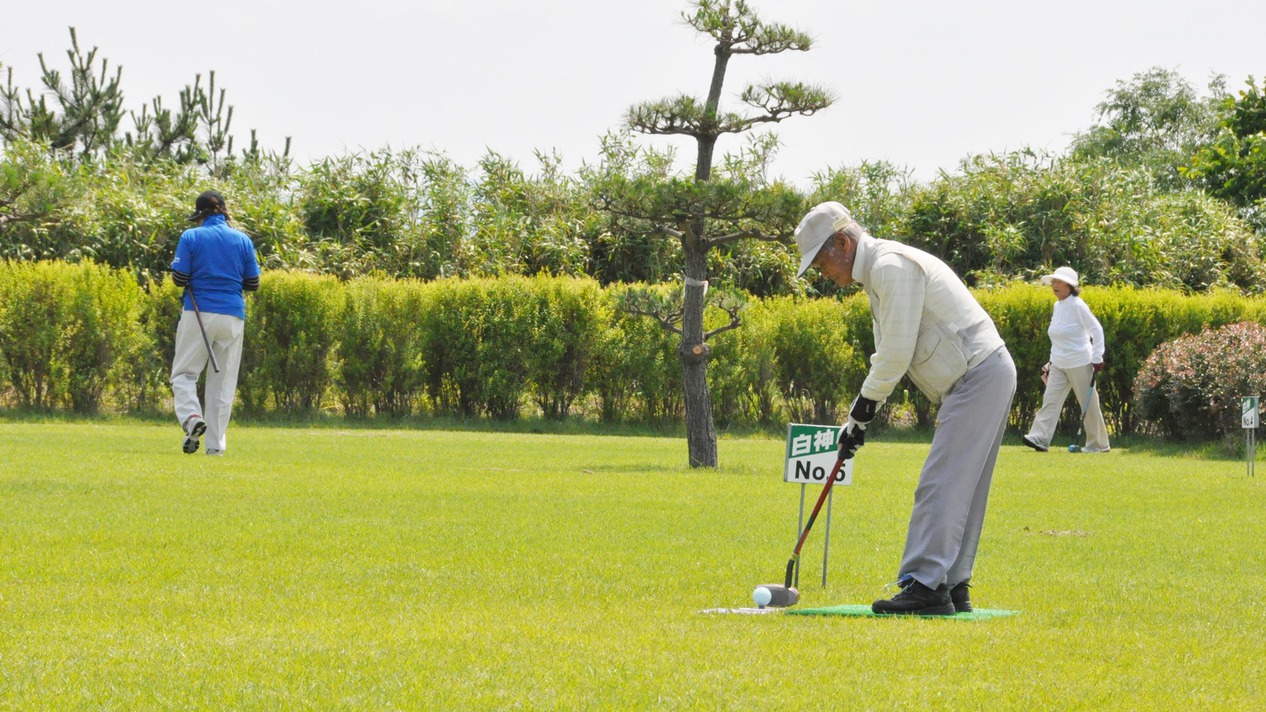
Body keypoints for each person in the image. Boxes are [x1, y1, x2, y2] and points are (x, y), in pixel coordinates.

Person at [794, 201, 1016, 616]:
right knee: (961, 485)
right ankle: (951, 584)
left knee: (941, 481)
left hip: (979, 374)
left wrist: (859, 414)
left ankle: (926, 587)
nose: (826, 277)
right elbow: (893, 352)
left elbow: (894, 354)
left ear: (842, 243)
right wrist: (861, 416)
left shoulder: (890, 267)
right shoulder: (880, 271)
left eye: (823, 266)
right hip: (984, 372)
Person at [169, 190, 260, 455]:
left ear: (200, 215)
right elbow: (253, 283)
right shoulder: (243, 240)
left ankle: (191, 419)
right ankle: (215, 449)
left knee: (184, 374)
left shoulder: (191, 236)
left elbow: (179, 278)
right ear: (223, 211)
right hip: (233, 314)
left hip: (198, 312)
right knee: (222, 385)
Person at [1021, 266, 1109, 453]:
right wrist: (1050, 363)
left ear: (1070, 285)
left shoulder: (1078, 306)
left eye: (1059, 282)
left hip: (1080, 363)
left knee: (1089, 404)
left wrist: (1097, 357)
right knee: (1050, 401)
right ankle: (1039, 438)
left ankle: (1098, 445)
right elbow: (1058, 336)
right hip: (1059, 364)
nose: (1055, 285)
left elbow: (1097, 330)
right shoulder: (1057, 306)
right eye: (1053, 282)